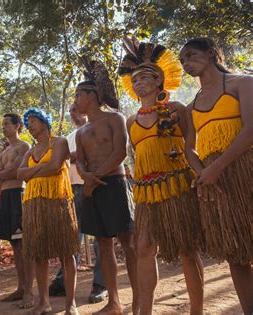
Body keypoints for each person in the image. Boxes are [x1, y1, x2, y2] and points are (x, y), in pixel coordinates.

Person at [119, 37, 205, 314]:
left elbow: (191, 146)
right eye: (134, 79)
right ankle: (145, 310)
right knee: (143, 248)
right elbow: (133, 155)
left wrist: (200, 177)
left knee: (187, 248)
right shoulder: (131, 121)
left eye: (144, 77)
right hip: (146, 191)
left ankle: (197, 310)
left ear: (159, 81)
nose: (138, 82)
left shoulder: (176, 109)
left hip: (177, 185)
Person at [180, 37, 252, 314]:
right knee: (237, 252)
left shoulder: (242, 83)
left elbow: (251, 129)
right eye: (182, 60)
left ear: (211, 53)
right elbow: (189, 150)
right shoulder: (191, 107)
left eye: (191, 55)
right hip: (215, 183)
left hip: (245, 170)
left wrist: (216, 167)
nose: (186, 62)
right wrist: (202, 174)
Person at [75, 58, 138, 314]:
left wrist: (96, 176)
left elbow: (120, 151)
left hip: (114, 183)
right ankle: (114, 301)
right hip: (93, 188)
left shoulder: (115, 119)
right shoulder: (81, 131)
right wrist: (86, 177)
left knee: (128, 242)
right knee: (103, 243)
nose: (76, 100)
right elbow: (79, 160)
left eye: (79, 94)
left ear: (92, 95)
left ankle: (138, 301)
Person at [17, 108, 79, 315]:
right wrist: (36, 171)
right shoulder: (30, 151)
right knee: (39, 253)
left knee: (66, 251)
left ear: (44, 122)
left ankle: (71, 304)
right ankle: (44, 302)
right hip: (34, 205)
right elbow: (19, 173)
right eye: (28, 123)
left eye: (33, 121)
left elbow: (54, 167)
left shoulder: (59, 142)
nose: (30, 125)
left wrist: (32, 172)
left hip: (57, 202)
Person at [49, 104, 108, 304]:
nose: (73, 114)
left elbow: (96, 156)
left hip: (95, 186)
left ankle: (101, 284)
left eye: (76, 110)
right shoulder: (69, 137)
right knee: (71, 237)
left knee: (100, 238)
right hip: (72, 189)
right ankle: (62, 281)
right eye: (71, 111)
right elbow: (62, 161)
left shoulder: (97, 128)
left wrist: (76, 157)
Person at [0, 113, 34, 308]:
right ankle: (20, 287)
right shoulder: (6, 151)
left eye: (7, 124)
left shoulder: (24, 146)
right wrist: (1, 174)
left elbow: (14, 172)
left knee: (23, 243)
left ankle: (30, 292)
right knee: (14, 245)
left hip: (19, 194)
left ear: (18, 126)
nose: (3, 127)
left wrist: (1, 174)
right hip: (5, 197)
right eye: (3, 124)